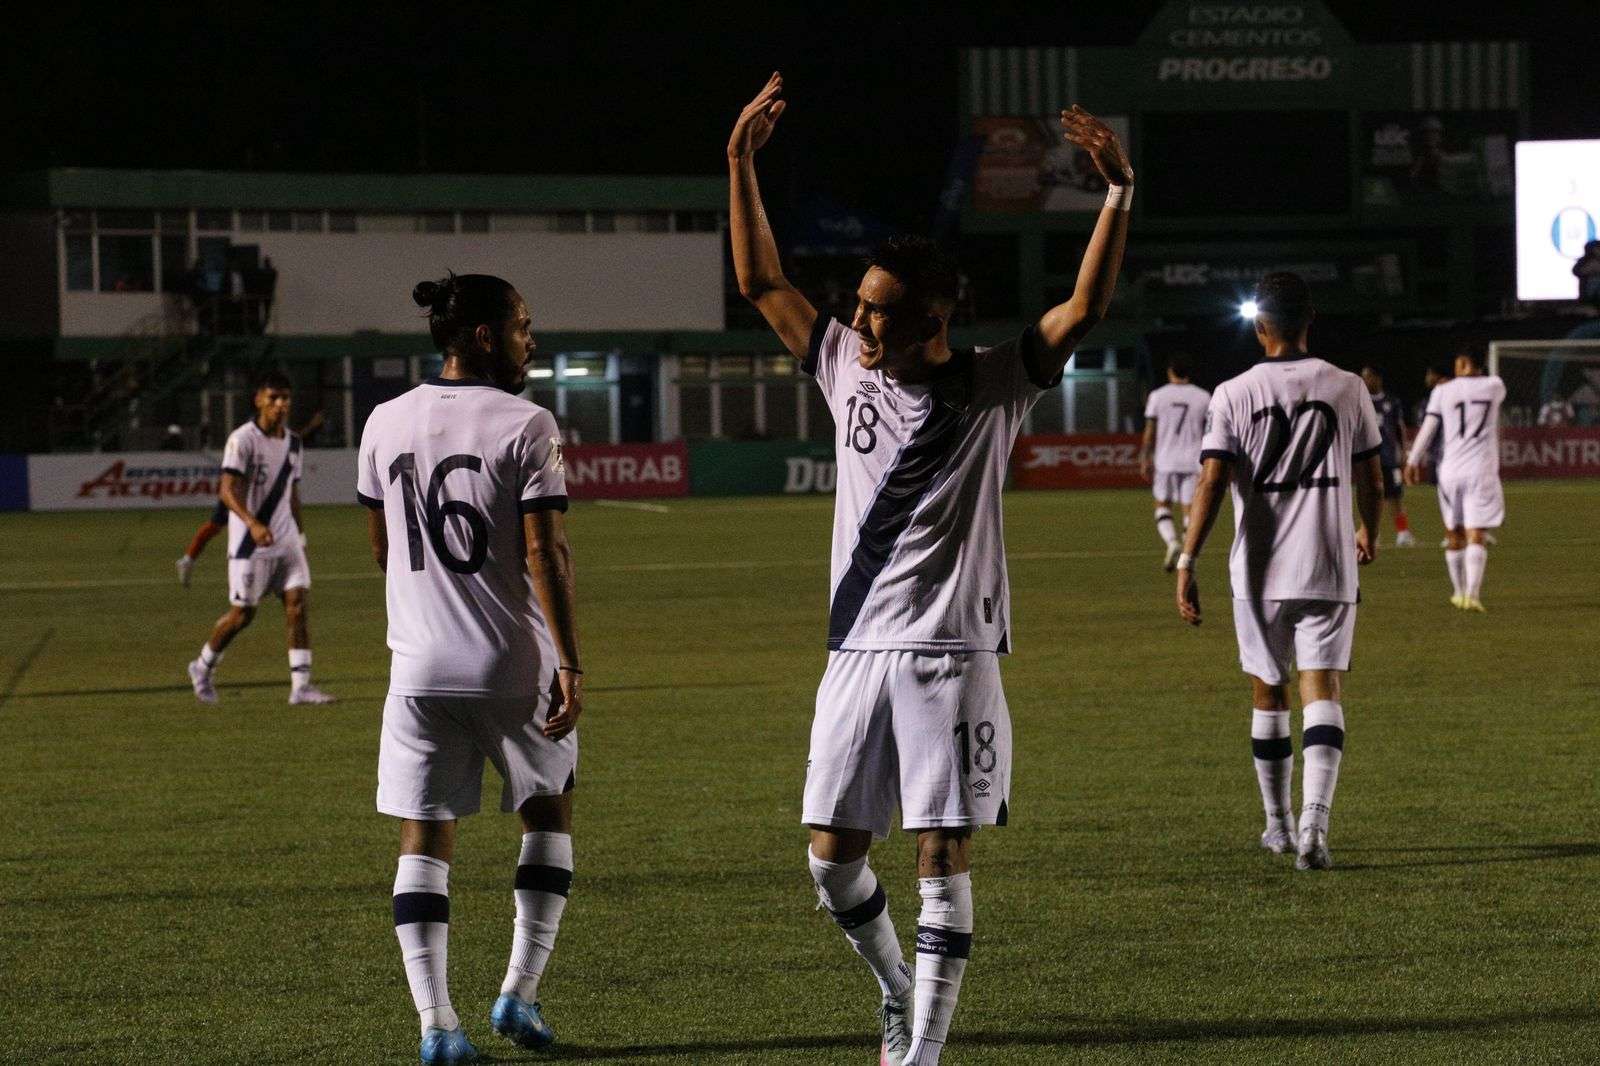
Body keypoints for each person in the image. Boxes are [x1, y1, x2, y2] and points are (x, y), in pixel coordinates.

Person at [728, 73, 1132, 1066]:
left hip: (951, 654)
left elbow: (1079, 308)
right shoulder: (838, 366)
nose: (858, 326)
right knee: (830, 862)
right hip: (855, 650)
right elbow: (761, 284)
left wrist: (1116, 194)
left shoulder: (996, 383)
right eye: (858, 308)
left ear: (933, 320)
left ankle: (923, 1055)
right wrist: (738, 162)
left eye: (878, 314)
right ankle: (898, 991)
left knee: (940, 857)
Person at [357, 273, 583, 1064]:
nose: (532, 339)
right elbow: (545, 552)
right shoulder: (526, 422)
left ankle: (436, 1028)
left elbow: (384, 548)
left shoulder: (383, 421)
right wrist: (573, 663)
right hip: (511, 667)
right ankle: (519, 994)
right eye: (523, 325)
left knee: (424, 839)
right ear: (485, 336)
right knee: (547, 812)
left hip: (416, 669)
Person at [1175, 272, 1382, 872]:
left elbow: (1213, 480)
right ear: (1309, 319)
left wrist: (1188, 560)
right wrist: (1368, 527)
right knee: (1324, 687)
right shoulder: (1347, 387)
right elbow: (1372, 477)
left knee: (1270, 692)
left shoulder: (1233, 392)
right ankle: (1317, 819)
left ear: (1259, 326)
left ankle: (1280, 824)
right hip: (1329, 559)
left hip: (1259, 571)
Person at [186, 371, 334, 706]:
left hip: (286, 540)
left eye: (285, 399)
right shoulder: (242, 440)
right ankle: (202, 666)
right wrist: (252, 523)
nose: (281, 405)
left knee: (297, 607)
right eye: (274, 399)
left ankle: (301, 687)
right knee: (242, 615)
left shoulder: (294, 443)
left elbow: (291, 493)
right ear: (259, 400)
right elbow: (226, 490)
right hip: (250, 544)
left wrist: (301, 533)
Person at [1404, 349, 1506, 611]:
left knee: (1453, 533)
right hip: (1481, 470)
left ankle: (1458, 593)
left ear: (1461, 364)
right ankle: (1473, 595)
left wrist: (1413, 460)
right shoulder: (1495, 386)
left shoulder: (1442, 391)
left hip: (1450, 471)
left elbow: (1429, 427)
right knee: (1477, 534)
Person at [178, 411, 328, 587]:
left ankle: (190, 559)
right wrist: (311, 426)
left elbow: (287, 447)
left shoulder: (281, 435)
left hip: (259, 496)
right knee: (215, 527)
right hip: (241, 495)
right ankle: (188, 559)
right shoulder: (248, 435)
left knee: (230, 527)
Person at [1139, 354, 1210, 570]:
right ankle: (1187, 555)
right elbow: (1211, 430)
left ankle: (1172, 543)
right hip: (1193, 461)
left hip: (1165, 461)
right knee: (1190, 510)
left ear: (1170, 372)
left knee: (1162, 505)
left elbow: (1150, 431)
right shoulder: (1203, 397)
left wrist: (1145, 457)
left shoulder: (1157, 396)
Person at [1359, 365, 1417, 547]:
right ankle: (1370, 534)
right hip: (1368, 458)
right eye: (1363, 377)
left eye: (1368, 377)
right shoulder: (1360, 400)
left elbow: (1399, 428)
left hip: (1389, 458)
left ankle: (1402, 532)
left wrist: (1404, 452)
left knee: (1395, 497)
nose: (1365, 380)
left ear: (1377, 378)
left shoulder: (1391, 401)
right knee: (1369, 497)